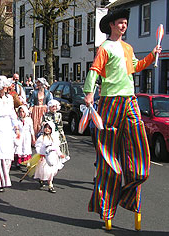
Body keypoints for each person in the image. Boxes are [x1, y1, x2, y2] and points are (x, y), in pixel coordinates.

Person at [83, 8, 162, 231]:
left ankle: (125, 197)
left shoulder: (128, 48)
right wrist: (89, 93)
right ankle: (107, 208)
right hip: (110, 102)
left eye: (125, 22)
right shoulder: (105, 48)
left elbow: (134, 67)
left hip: (130, 100)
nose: (123, 25)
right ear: (111, 25)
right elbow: (95, 70)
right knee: (108, 158)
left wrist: (152, 55)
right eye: (120, 22)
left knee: (140, 161)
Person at [34, 121, 65, 193]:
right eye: (46, 127)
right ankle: (42, 179)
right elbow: (38, 146)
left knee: (51, 171)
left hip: (53, 157)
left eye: (49, 128)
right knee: (44, 171)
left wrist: (60, 154)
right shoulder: (42, 138)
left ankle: (50, 184)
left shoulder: (54, 138)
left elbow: (56, 147)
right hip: (45, 157)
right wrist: (40, 153)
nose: (47, 129)